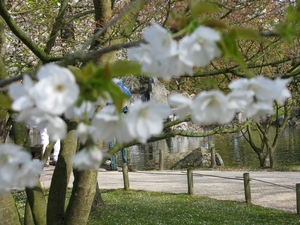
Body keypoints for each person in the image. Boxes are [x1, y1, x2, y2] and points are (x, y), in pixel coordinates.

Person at [108, 78, 131, 170]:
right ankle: (126, 163)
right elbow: (129, 95)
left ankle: (113, 165)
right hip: (122, 114)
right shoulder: (123, 87)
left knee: (111, 141)